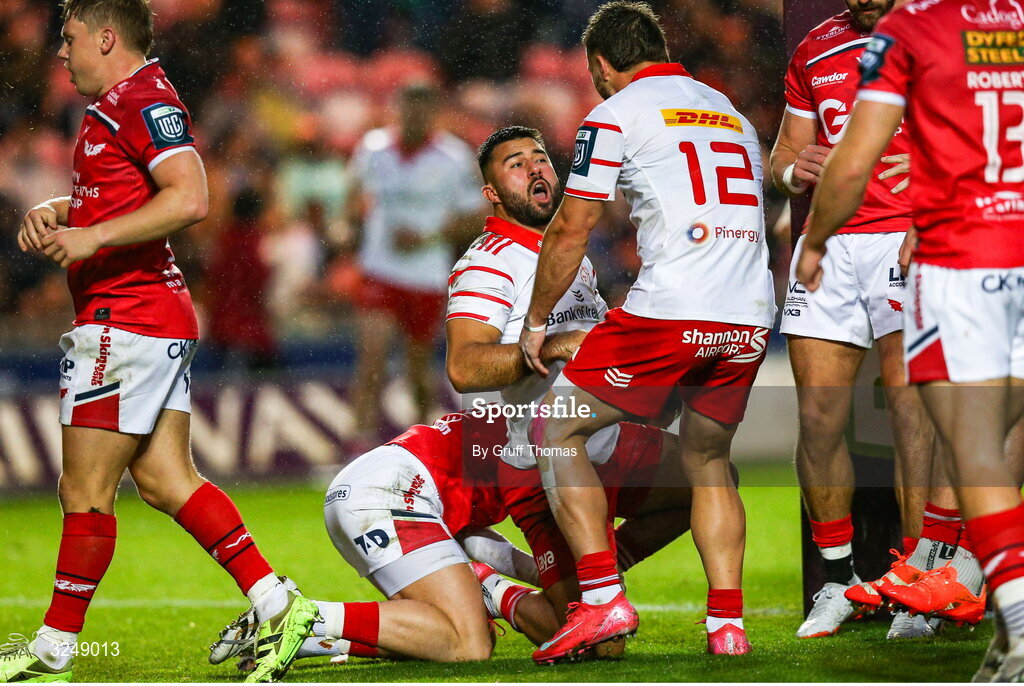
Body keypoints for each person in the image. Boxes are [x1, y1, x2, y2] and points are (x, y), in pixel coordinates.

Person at [0, 1, 316, 683]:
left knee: (84, 491)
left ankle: (53, 650)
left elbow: (190, 196)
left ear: (106, 37)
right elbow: (131, 197)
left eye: (71, 37)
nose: (61, 51)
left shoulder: (140, 98)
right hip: (149, 317)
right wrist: (69, 211)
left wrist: (92, 236)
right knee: (168, 480)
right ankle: (276, 602)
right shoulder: (122, 103)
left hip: (127, 320)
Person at [517, 1, 775, 662]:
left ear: (602, 64)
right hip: (748, 312)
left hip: (674, 308)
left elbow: (572, 227)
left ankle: (602, 599)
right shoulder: (729, 110)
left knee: (559, 427)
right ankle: (727, 627)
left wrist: (537, 321)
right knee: (709, 459)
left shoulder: (615, 112)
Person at [795, 0, 1024, 678]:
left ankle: (988, 599)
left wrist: (813, 239)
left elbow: (853, 157)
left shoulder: (912, 28)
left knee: (973, 443)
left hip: (966, 257)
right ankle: (961, 576)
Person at [212, 409, 697, 672]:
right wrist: (597, 579)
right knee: (469, 642)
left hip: (369, 491)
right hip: (395, 494)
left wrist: (601, 570)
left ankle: (310, 640)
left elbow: (477, 540)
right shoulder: (546, 462)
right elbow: (576, 631)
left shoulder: (523, 432)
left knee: (450, 631)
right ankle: (306, 612)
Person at [770, 0, 959, 641]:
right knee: (818, 417)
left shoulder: (943, 37)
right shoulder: (815, 48)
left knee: (911, 417)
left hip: (906, 238)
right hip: (827, 242)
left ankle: (915, 587)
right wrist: (794, 168)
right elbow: (783, 157)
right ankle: (838, 581)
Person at [346, 83, 485, 439]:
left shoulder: (454, 158)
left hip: (426, 275)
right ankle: (359, 444)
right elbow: (353, 192)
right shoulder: (373, 148)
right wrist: (353, 225)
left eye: (422, 110)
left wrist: (428, 237)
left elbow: (475, 214)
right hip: (379, 268)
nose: (414, 116)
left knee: (417, 367)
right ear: (397, 108)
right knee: (372, 357)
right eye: (408, 108)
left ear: (434, 112)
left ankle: (424, 440)